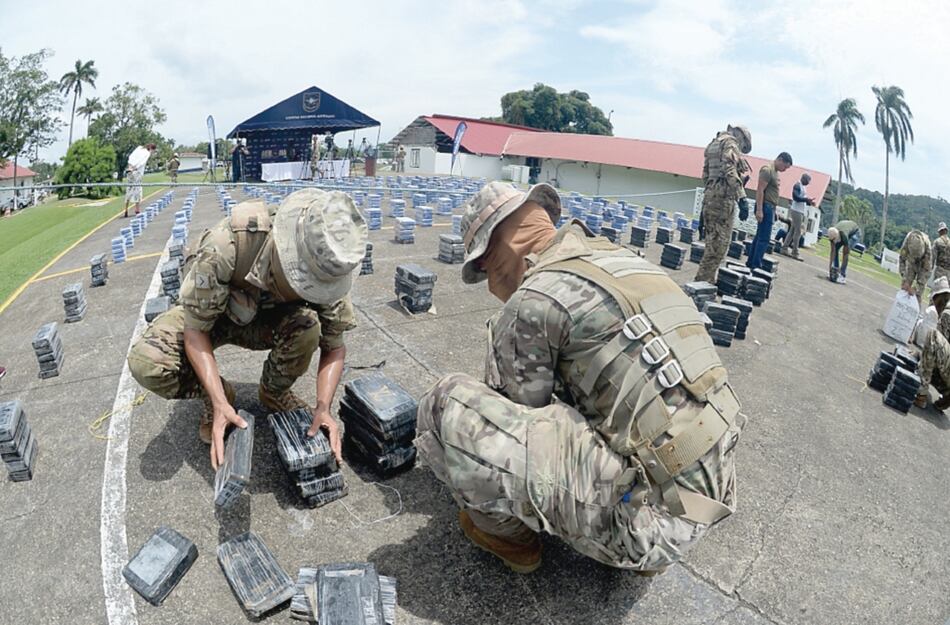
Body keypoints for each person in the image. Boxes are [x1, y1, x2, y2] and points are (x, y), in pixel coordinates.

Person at [415, 181, 742, 575]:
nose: (488, 281)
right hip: (709, 493)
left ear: (493, 251)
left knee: (447, 403)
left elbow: (515, 414)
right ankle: (638, 536)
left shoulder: (533, 301)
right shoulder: (620, 261)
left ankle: (514, 542)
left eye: (484, 266)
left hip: (650, 522)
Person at [128, 189, 367, 469]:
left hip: (268, 321)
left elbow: (334, 345)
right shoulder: (227, 245)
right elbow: (195, 330)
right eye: (304, 281)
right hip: (213, 317)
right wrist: (218, 400)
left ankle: (274, 392)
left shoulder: (329, 264)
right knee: (148, 363)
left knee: (308, 327)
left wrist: (323, 407)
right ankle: (218, 397)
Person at [695, 124, 752, 283]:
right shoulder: (730, 143)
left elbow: (705, 175)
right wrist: (742, 197)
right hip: (723, 199)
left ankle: (706, 281)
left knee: (711, 243)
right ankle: (702, 283)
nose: (741, 148)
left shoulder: (714, 143)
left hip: (711, 196)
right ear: (741, 136)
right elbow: (730, 170)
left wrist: (710, 194)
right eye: (744, 146)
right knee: (718, 247)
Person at [747, 152, 793, 271]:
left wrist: (775, 209)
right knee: (764, 239)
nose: (785, 170)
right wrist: (759, 210)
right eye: (785, 167)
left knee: (759, 236)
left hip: (770, 207)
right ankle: (756, 265)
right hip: (764, 206)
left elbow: (772, 193)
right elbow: (760, 190)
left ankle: (751, 262)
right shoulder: (767, 170)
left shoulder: (775, 172)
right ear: (780, 160)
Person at [915, 277, 950, 410]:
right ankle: (947, 394)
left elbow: (936, 350)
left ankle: (921, 394)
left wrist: (921, 357)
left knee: (932, 336)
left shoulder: (947, 313)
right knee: (927, 361)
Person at [781, 172, 814, 260]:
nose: (808, 183)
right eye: (807, 181)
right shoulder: (797, 185)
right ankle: (795, 252)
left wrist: (808, 201)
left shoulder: (803, 187)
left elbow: (802, 199)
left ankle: (784, 248)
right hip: (796, 210)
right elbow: (795, 197)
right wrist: (806, 199)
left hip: (800, 211)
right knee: (798, 231)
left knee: (792, 231)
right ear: (803, 178)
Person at [898, 229, 933, 306]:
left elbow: (926, 272)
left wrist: (915, 289)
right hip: (911, 263)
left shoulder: (928, 250)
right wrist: (904, 276)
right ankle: (899, 311)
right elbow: (902, 259)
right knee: (904, 288)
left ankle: (915, 314)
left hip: (922, 265)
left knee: (917, 295)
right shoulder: (908, 241)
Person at [123, 143, 156, 218]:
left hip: (130, 170)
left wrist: (130, 166)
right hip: (137, 172)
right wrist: (134, 168)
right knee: (137, 190)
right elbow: (142, 162)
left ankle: (126, 209)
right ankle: (137, 209)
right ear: (152, 149)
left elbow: (131, 157)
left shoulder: (139, 148)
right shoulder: (147, 153)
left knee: (129, 189)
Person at [825, 219, 861, 284]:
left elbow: (845, 254)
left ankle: (842, 275)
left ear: (837, 236)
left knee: (845, 252)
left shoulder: (844, 235)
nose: (833, 241)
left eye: (834, 240)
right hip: (844, 230)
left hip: (855, 233)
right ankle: (835, 270)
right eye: (832, 240)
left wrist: (841, 272)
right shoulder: (832, 234)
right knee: (835, 250)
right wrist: (830, 270)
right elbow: (832, 251)